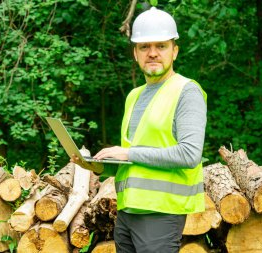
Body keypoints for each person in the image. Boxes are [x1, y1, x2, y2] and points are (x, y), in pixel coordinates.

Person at [72, 7, 207, 253]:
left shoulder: (187, 91)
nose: (152, 53)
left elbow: (189, 154)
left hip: (162, 214)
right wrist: (96, 166)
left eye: (161, 46)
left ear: (174, 51)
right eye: (144, 47)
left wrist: (128, 153)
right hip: (127, 212)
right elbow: (131, 160)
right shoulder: (134, 96)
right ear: (135, 54)